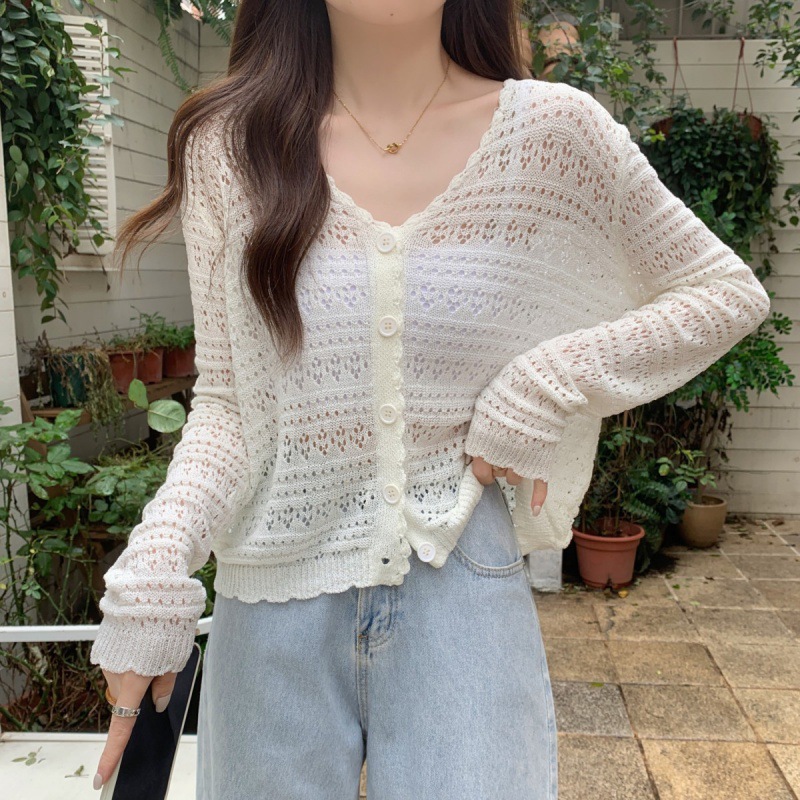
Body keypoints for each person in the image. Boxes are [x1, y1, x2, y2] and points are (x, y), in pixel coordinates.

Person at [90, 1, 771, 798]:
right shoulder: (230, 144)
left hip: (462, 584)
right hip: (273, 602)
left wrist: (544, 383)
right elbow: (233, 405)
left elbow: (721, 293)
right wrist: (157, 564)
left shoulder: (552, 134)